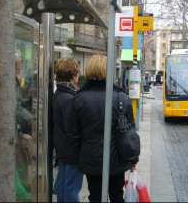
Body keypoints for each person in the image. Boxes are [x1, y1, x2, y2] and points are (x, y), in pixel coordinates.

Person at [69, 54, 138, 202]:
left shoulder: (78, 99)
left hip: (90, 158)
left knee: (95, 196)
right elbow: (130, 134)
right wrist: (133, 159)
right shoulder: (121, 98)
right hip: (116, 159)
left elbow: (73, 133)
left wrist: (79, 155)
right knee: (116, 195)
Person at [0, 54, 32, 185]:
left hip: (0, 129)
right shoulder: (9, 82)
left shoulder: (5, 79)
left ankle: (18, 183)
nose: (21, 68)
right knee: (21, 152)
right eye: (19, 65)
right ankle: (19, 185)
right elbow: (15, 109)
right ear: (14, 66)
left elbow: (14, 104)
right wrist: (30, 117)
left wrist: (28, 101)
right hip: (0, 132)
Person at [52, 58, 83, 202]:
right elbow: (73, 130)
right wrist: (80, 147)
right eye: (77, 73)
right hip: (71, 152)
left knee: (63, 186)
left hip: (62, 149)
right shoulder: (69, 98)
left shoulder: (59, 93)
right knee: (71, 189)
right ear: (73, 75)